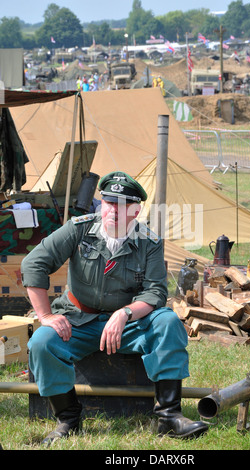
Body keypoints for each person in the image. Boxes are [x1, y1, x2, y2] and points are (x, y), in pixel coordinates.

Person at [21, 171, 208, 446]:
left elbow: (155, 291)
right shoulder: (79, 228)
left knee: (168, 322)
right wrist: (46, 316)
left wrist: (125, 313)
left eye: (122, 205)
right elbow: (33, 263)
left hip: (129, 325)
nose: (114, 211)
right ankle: (68, 419)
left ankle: (169, 417)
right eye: (108, 203)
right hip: (79, 319)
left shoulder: (149, 241)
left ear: (136, 210)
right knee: (42, 342)